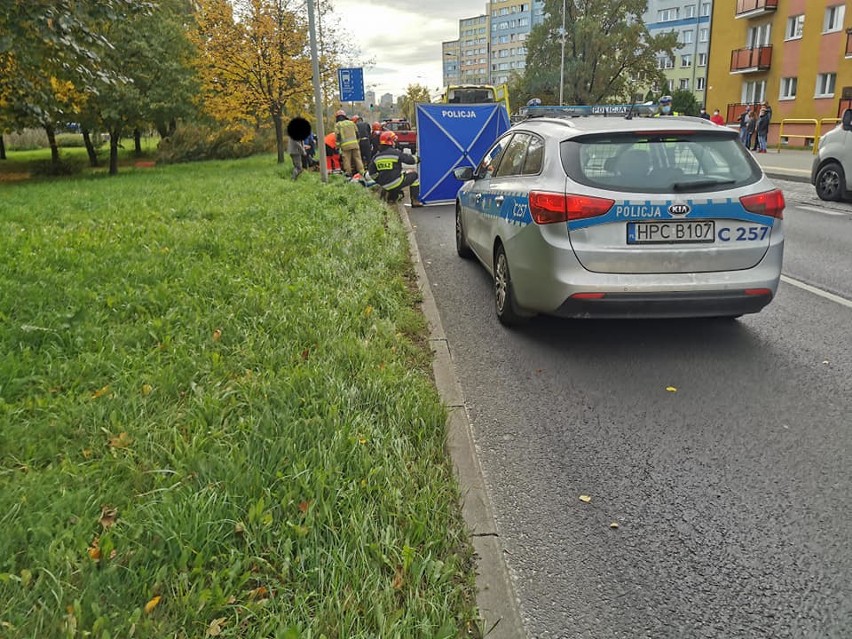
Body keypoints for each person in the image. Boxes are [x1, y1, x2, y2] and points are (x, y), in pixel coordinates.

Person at [367, 130, 422, 207]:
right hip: (396, 182)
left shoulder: (376, 157)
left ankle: (391, 198)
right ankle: (415, 201)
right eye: (394, 140)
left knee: (397, 178)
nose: (395, 142)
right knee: (414, 176)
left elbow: (372, 173)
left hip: (384, 184)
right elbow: (410, 160)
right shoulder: (396, 153)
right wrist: (418, 158)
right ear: (390, 142)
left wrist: (379, 180)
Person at [334, 109, 364, 177]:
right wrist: (357, 142)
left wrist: (338, 146)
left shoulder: (338, 125)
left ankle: (349, 174)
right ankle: (362, 172)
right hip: (355, 144)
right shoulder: (351, 123)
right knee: (358, 159)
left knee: (346, 160)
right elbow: (357, 134)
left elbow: (337, 136)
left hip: (345, 146)